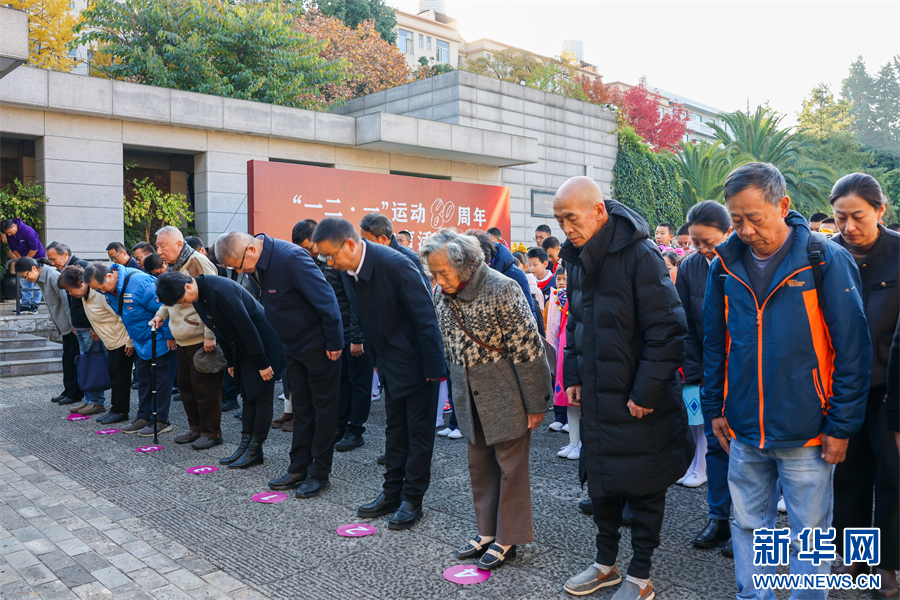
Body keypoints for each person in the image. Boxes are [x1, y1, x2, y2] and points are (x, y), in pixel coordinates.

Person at [702, 163, 871, 600]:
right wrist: (714, 408)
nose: (745, 230)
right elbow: (715, 344)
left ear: (782, 205)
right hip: (743, 429)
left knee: (808, 533)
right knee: (747, 525)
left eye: (754, 218)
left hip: (808, 430)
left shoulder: (823, 259)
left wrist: (841, 426)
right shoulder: (724, 267)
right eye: (736, 219)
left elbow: (853, 351)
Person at [555, 176, 689, 600]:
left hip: (638, 400)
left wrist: (645, 393)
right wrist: (574, 376)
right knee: (603, 485)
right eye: (560, 222)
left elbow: (668, 330)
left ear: (598, 211)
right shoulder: (578, 257)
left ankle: (641, 575)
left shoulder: (640, 254)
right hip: (597, 395)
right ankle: (605, 564)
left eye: (571, 218)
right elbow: (576, 324)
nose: (566, 229)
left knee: (645, 487)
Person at [423, 229, 552, 570]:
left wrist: (536, 403)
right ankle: (486, 532)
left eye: (442, 272)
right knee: (479, 464)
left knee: (510, 467)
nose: (437, 280)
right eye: (433, 273)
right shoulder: (440, 292)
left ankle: (508, 538)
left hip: (506, 389)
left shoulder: (502, 287)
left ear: (464, 265)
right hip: (467, 390)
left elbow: (529, 349)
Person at [313, 217, 445, 530]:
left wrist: (433, 367)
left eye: (331, 255)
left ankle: (412, 499)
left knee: (419, 434)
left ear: (349, 244)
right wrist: (376, 361)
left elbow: (426, 317)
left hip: (417, 363)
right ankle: (391, 493)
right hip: (388, 361)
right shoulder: (349, 271)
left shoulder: (396, 264)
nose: (329, 263)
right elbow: (364, 317)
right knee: (395, 430)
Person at [214, 231, 343, 498]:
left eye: (239, 266)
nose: (240, 272)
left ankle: (320, 473)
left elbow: (326, 299)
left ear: (251, 250)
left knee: (323, 410)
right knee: (301, 410)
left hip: (318, 345)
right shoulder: (257, 262)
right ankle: (298, 468)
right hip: (292, 346)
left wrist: (334, 341)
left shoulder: (291, 258)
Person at [828, 173, 899, 597]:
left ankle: (887, 564)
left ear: (880, 211)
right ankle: (854, 556)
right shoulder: (826, 254)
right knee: (848, 475)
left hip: (891, 386)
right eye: (841, 217)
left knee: (893, 476)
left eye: (858, 216)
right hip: (844, 387)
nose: (849, 226)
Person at [156, 272, 285, 470]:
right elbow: (218, 329)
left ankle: (255, 449)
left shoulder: (220, 290)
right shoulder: (198, 296)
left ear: (188, 286)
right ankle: (245, 445)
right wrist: (230, 362)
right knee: (247, 396)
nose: (184, 304)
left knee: (261, 398)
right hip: (242, 347)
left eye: (183, 300)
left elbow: (248, 328)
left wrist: (263, 363)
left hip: (262, 345)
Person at [676, 201, 735, 554]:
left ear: (729, 232)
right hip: (709, 371)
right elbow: (685, 325)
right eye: (695, 243)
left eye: (708, 242)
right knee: (715, 445)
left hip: (744, 372)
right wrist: (696, 373)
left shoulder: (744, 261)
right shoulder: (690, 267)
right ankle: (718, 518)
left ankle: (748, 523)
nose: (701, 249)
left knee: (751, 452)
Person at [292, 219, 372, 453]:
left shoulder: (341, 261)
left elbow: (356, 302)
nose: (307, 252)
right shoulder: (314, 263)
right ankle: (340, 425)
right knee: (341, 383)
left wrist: (357, 337)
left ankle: (355, 430)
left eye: (309, 247)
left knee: (358, 384)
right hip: (335, 334)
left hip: (354, 334)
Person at [149, 227, 224, 451]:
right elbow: (170, 296)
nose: (159, 251)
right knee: (186, 387)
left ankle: (211, 432)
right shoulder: (174, 265)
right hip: (182, 339)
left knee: (205, 389)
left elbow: (213, 297)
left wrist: (210, 335)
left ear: (179, 244)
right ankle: (196, 428)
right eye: (157, 246)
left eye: (162, 245)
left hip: (200, 339)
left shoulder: (197, 262)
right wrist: (161, 314)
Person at [84, 263, 178, 437]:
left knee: (160, 381)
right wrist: (132, 340)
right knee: (143, 380)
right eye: (97, 290)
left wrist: (170, 335)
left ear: (109, 276)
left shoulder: (140, 283)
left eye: (101, 287)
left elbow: (167, 307)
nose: (101, 292)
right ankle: (143, 416)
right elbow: (126, 316)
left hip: (159, 338)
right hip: (141, 341)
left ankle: (160, 420)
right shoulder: (109, 291)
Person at [58, 266, 134, 424]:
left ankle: (120, 411)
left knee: (121, 377)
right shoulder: (85, 295)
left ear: (81, 283)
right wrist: (95, 329)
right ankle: (115, 409)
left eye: (71, 290)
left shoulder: (99, 294)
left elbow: (122, 316)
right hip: (110, 340)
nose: (71, 294)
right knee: (113, 374)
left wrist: (130, 340)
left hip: (122, 339)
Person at [46, 243, 104, 414]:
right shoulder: (67, 272)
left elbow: (97, 305)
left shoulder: (83, 268)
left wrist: (93, 326)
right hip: (79, 326)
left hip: (88, 327)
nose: (52, 263)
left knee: (92, 364)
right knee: (84, 364)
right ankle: (89, 399)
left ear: (65, 254)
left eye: (54, 259)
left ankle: (96, 401)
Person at [15, 257, 81, 405]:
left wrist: (73, 325)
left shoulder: (52, 275)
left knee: (72, 360)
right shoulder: (41, 278)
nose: (26, 279)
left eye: (25, 276)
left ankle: (75, 393)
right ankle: (68, 391)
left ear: (33, 268)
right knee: (67, 360)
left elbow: (66, 301)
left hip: (71, 327)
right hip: (64, 327)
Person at [358, 212, 429, 286]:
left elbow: (422, 291)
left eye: (368, 241)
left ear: (383, 239)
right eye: (362, 240)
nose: (365, 245)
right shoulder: (369, 257)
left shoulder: (409, 259)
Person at [2, 217, 45, 312]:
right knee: (24, 281)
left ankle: (34, 305)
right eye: (7, 233)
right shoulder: (10, 235)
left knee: (36, 283)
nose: (8, 235)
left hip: (37, 257)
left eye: (9, 232)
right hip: (24, 258)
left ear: (14, 226)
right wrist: (21, 259)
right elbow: (13, 249)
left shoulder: (28, 231)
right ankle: (25, 305)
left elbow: (34, 249)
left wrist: (26, 261)